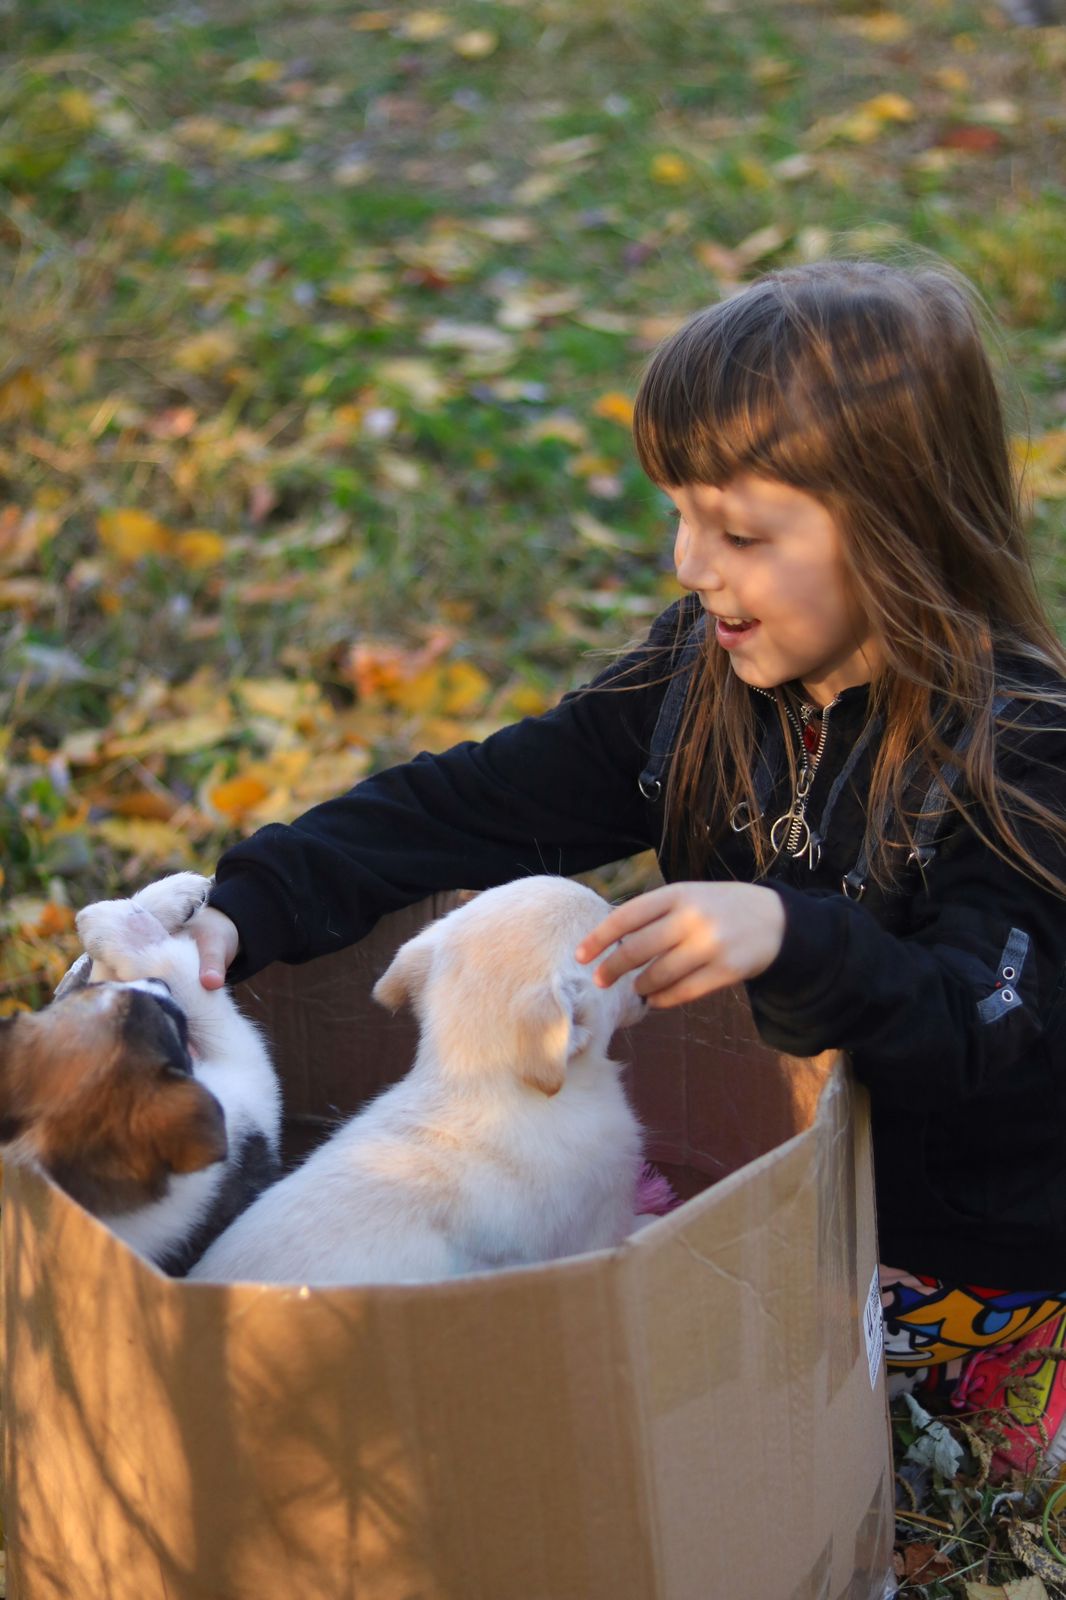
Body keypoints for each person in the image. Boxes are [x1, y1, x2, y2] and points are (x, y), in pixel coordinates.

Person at [188, 258, 1066, 1475]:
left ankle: (1009, 1371)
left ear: (898, 525)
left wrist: (791, 934)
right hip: (785, 1191)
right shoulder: (698, 681)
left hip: (956, 1237)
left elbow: (983, 1017)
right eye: (680, 514)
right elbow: (485, 799)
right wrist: (254, 900)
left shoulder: (1017, 748)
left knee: (667, 1407)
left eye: (738, 531)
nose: (689, 564)